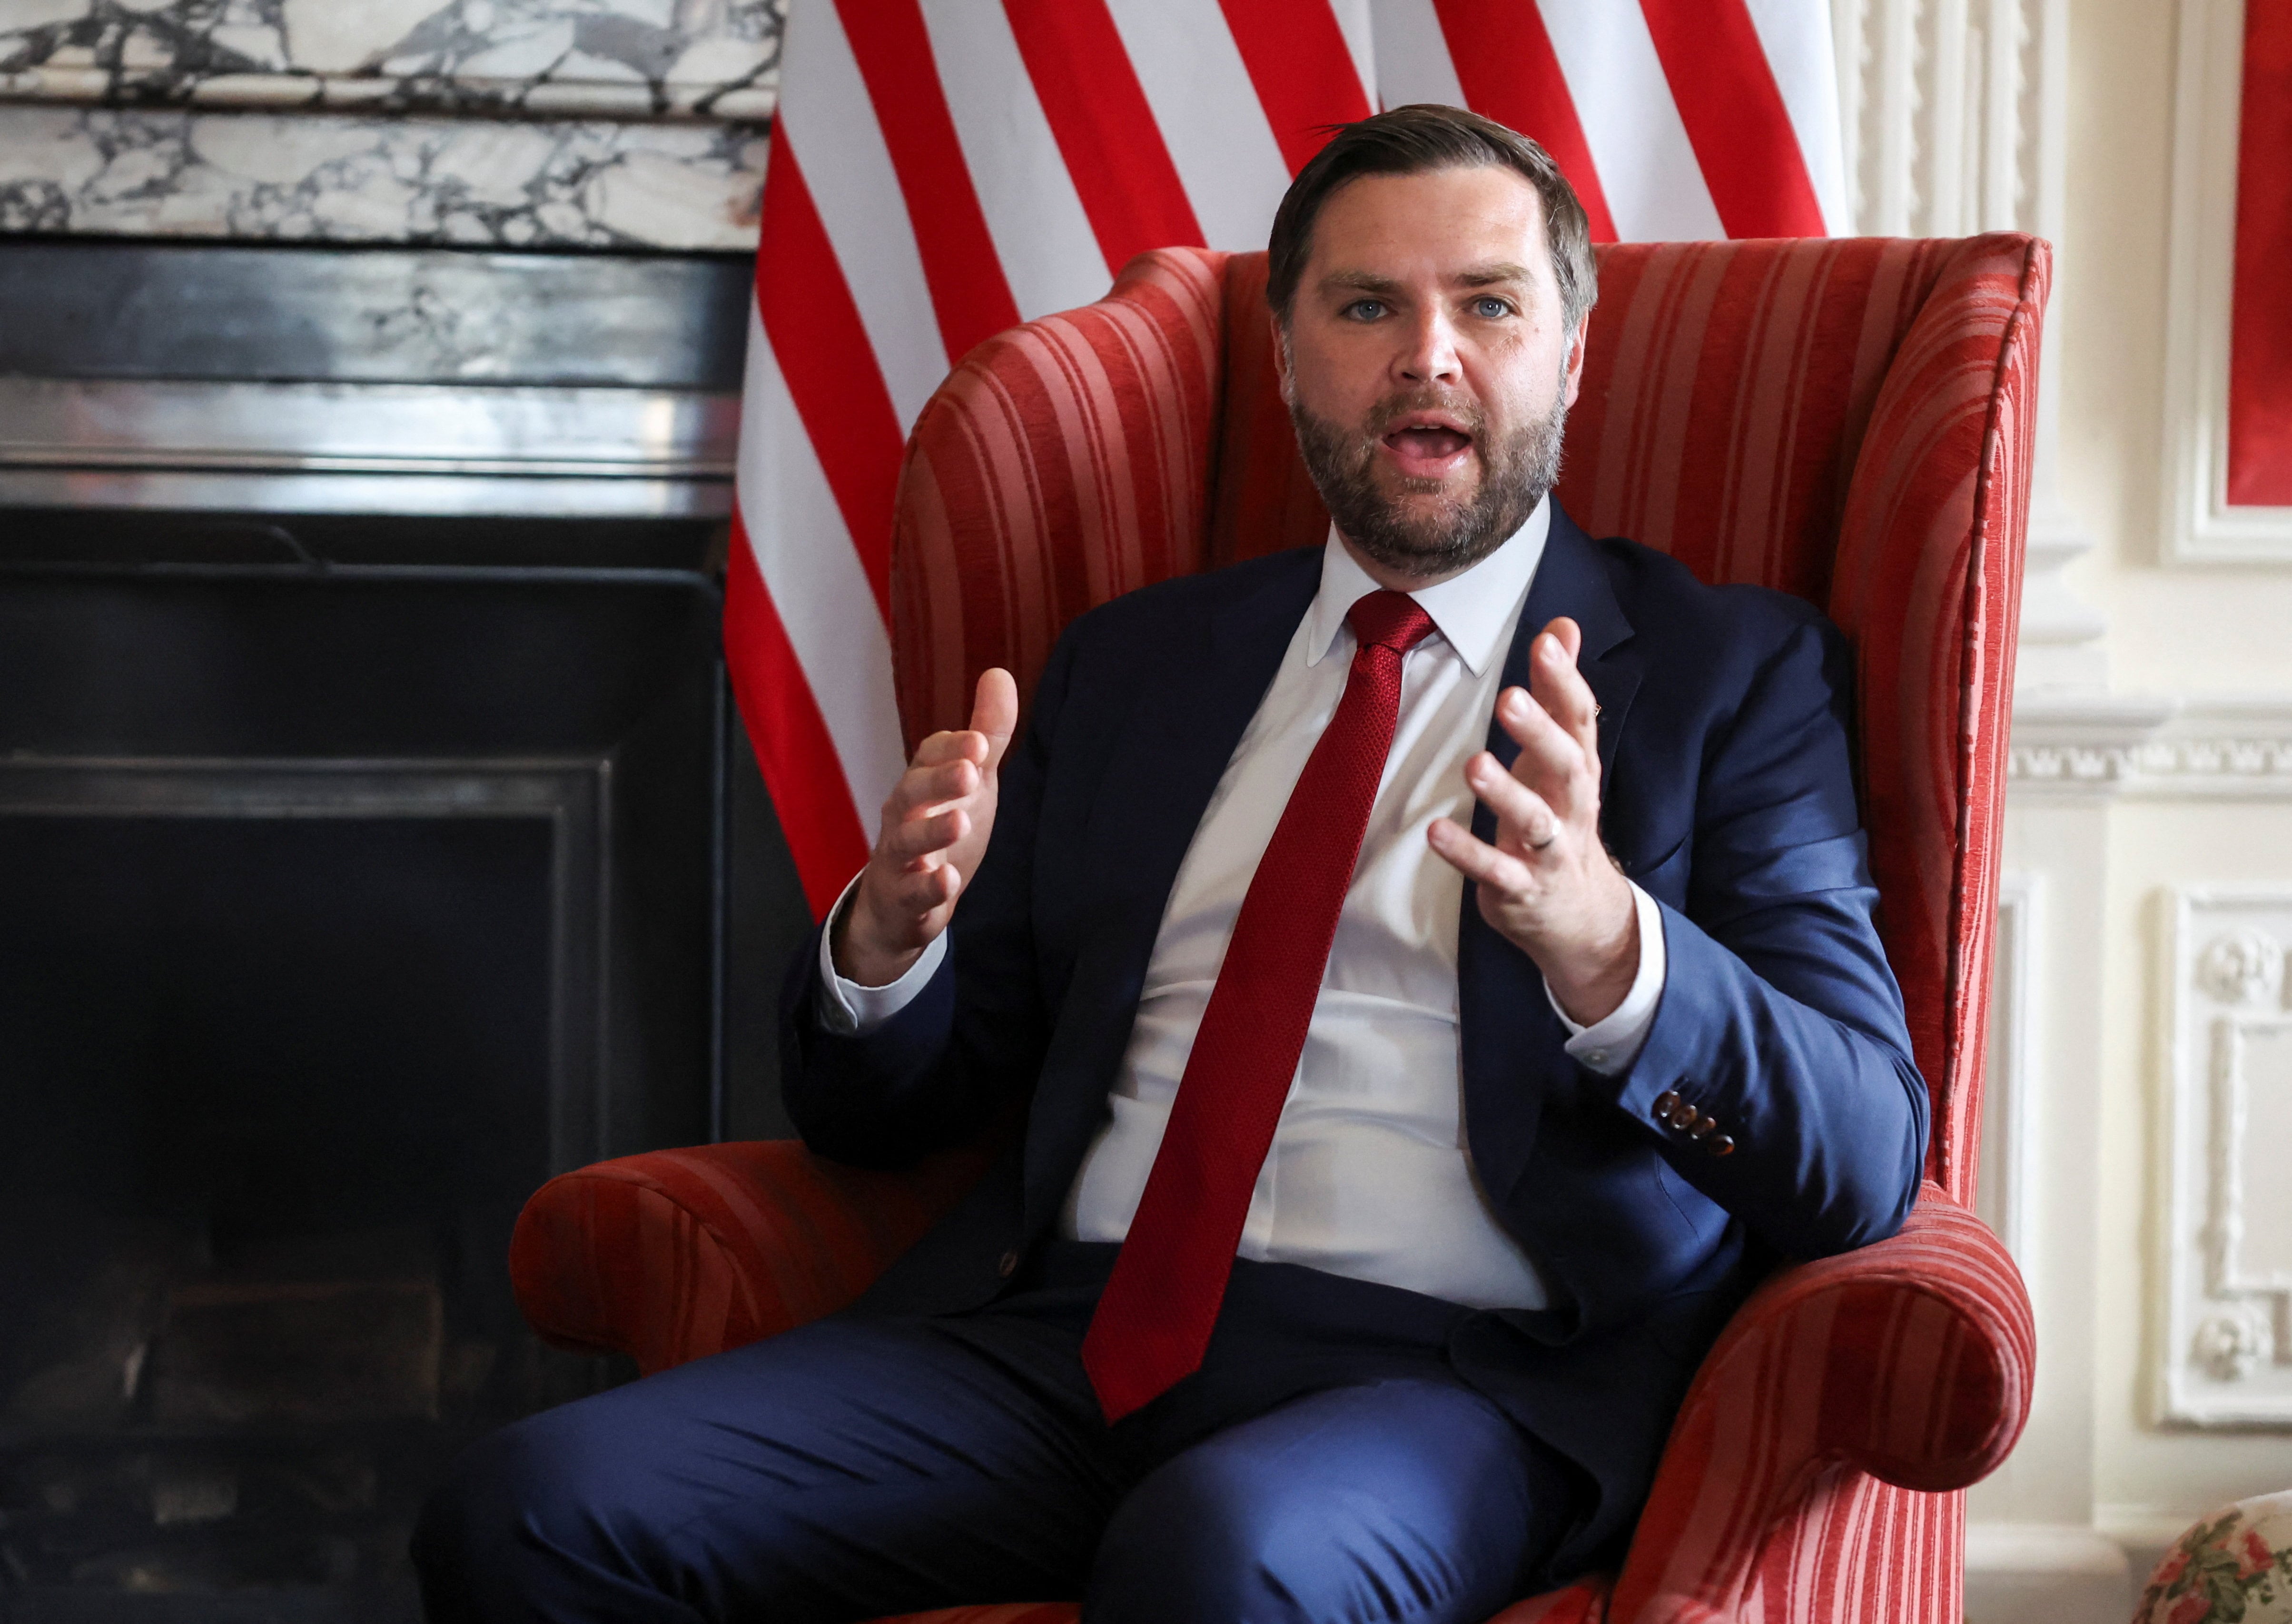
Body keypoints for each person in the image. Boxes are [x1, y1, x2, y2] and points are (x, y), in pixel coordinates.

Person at [414, 104, 1927, 1624]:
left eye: (1487, 302)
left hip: (1453, 1376)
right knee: (532, 1512)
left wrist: (1611, 944)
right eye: (1364, 305)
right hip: (1061, 1339)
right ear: (1284, 359)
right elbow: (890, 1114)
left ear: (1571, 352)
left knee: (1216, 1564)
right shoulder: (1134, 666)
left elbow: (1863, 1152)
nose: (1429, 354)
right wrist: (886, 947)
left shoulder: (1740, 677)